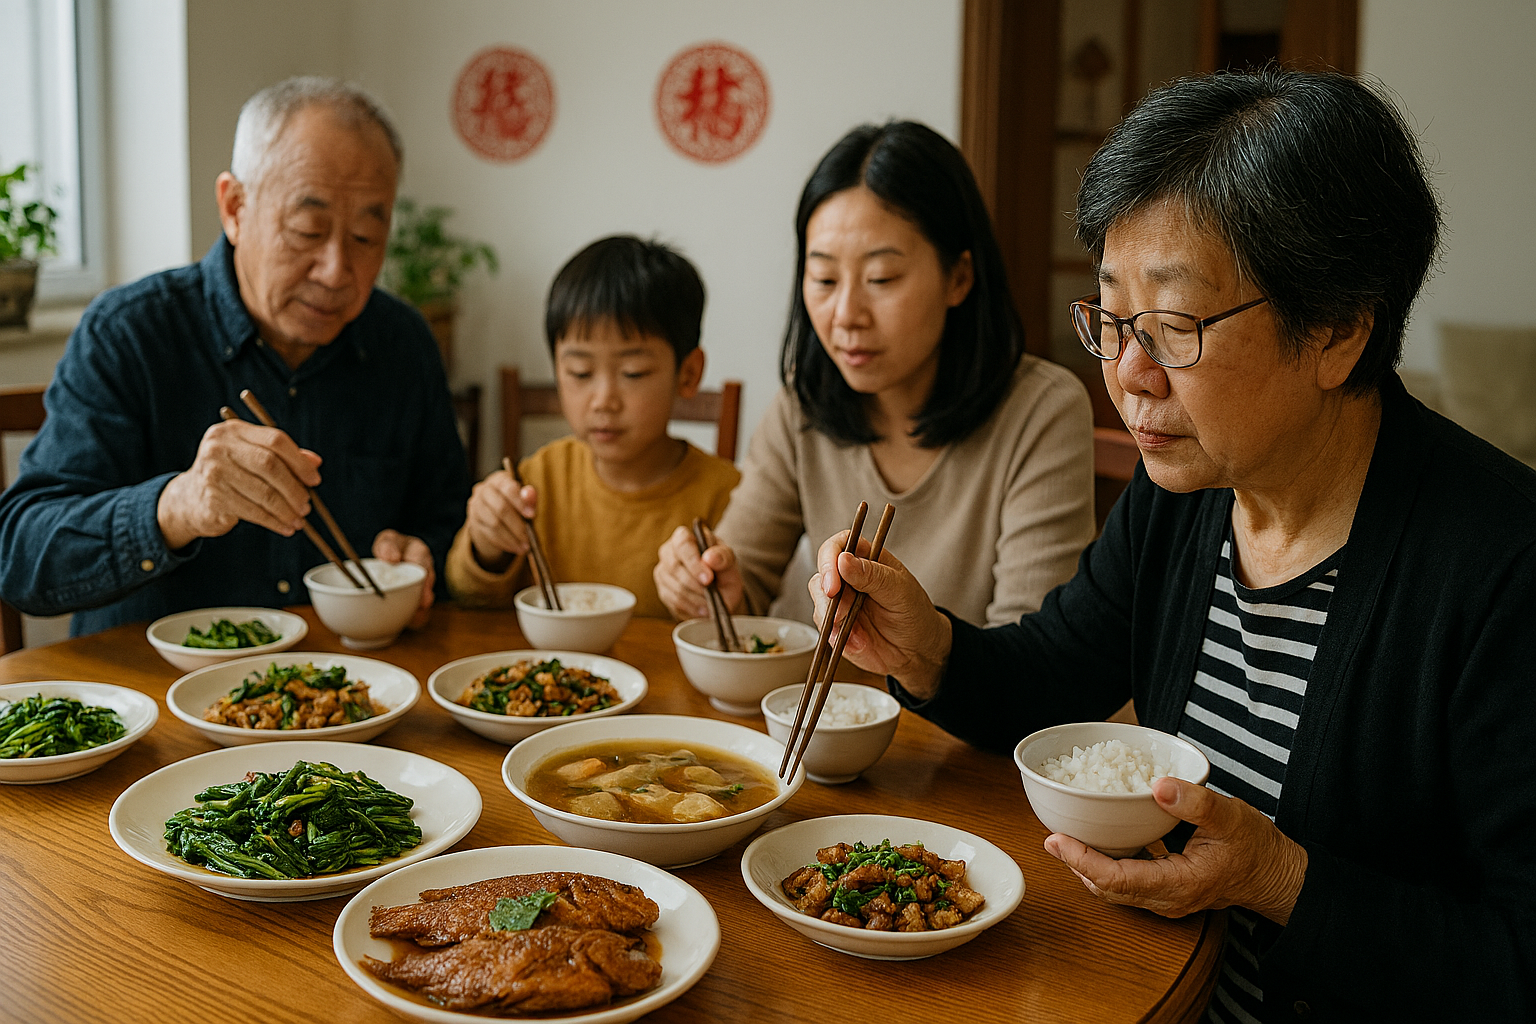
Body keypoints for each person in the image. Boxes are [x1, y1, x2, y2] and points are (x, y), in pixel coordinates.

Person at [807, 69, 1536, 1022]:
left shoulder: (1501, 566)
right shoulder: (1190, 492)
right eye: (1112, 319)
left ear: (1339, 330)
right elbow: (1058, 678)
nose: (1128, 376)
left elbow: (1518, 960)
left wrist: (1277, 878)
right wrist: (928, 649)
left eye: (1176, 326)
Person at [0, 77, 470, 635]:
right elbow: (22, 555)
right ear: (235, 207)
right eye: (307, 229)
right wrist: (177, 506)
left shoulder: (402, 344)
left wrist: (422, 556)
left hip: (350, 695)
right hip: (151, 696)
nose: (337, 270)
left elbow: (445, 517)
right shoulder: (129, 333)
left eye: (367, 238)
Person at [654, 121, 1095, 626]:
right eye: (823, 278)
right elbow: (743, 581)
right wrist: (705, 584)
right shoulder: (804, 404)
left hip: (962, 708)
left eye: (881, 278)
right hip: (810, 704)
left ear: (959, 277)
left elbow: (1029, 649)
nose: (845, 315)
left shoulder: (1042, 410)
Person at [446, 235, 740, 619]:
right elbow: (468, 596)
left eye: (633, 373)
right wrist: (486, 544)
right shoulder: (536, 481)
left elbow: (744, 621)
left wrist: (712, 601)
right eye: (580, 372)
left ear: (688, 373)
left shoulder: (726, 495)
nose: (603, 400)